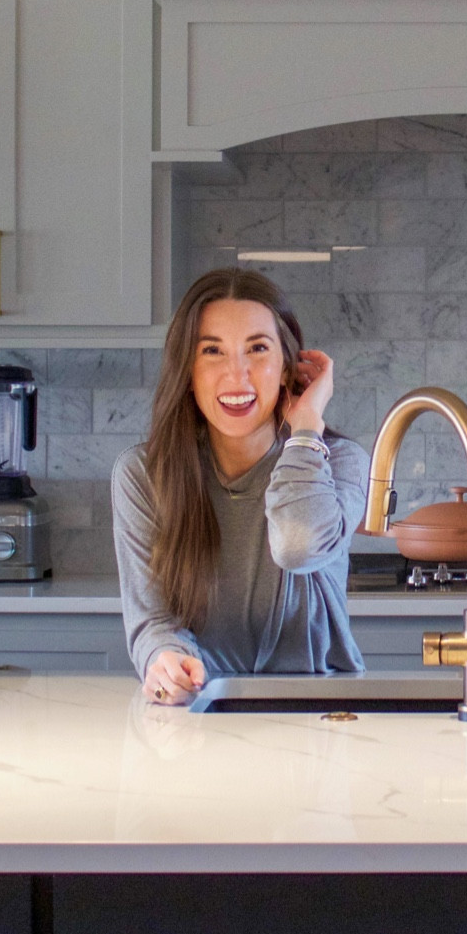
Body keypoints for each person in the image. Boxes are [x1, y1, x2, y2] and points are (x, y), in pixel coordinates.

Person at [111, 268, 368, 704]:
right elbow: (152, 621)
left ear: (289, 366)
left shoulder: (337, 460)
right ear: (186, 369)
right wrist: (165, 658)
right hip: (201, 712)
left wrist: (305, 432)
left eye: (258, 349)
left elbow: (297, 545)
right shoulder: (142, 474)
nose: (238, 375)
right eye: (213, 351)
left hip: (322, 721)